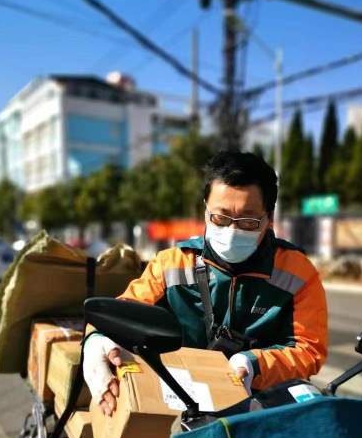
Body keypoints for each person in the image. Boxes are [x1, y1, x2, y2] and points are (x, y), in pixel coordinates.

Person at [84, 151, 328, 416]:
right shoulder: (171, 263)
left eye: (248, 221)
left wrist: (254, 364)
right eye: (220, 218)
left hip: (259, 412)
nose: (232, 231)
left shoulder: (298, 272)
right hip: (180, 407)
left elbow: (309, 350)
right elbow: (122, 312)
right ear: (205, 210)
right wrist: (96, 341)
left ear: (269, 218)